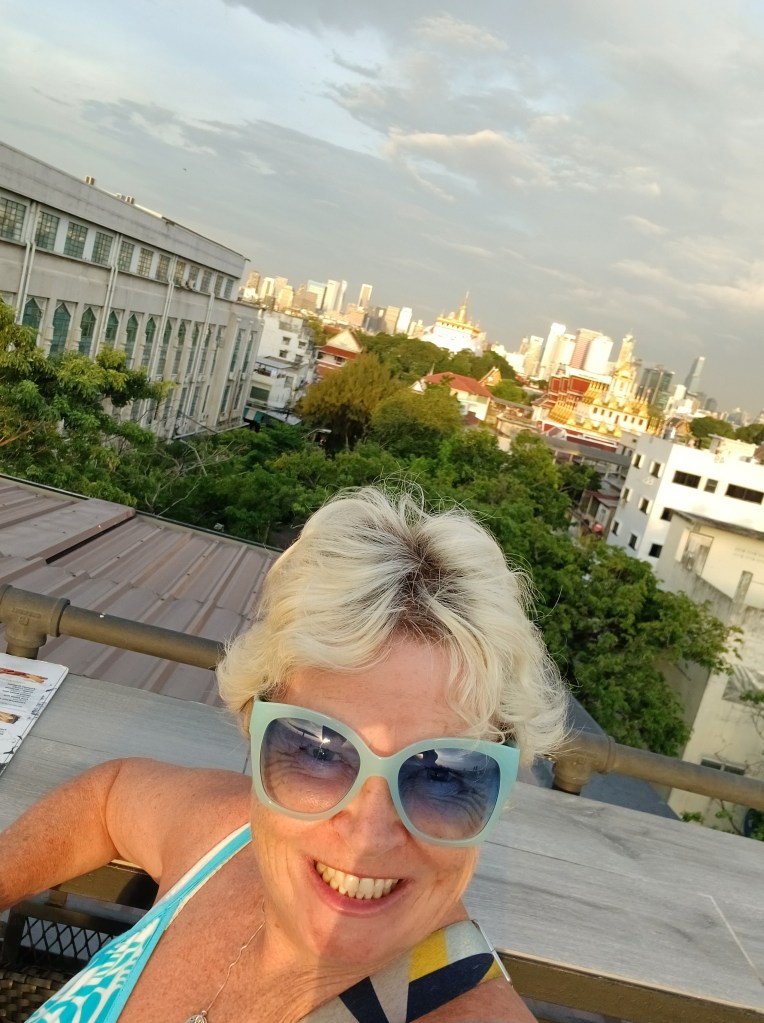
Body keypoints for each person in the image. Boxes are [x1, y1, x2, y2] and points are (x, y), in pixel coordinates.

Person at [0, 486, 569, 1023]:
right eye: (320, 750)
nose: (369, 836)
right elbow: (109, 796)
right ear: (254, 725)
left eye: (442, 774)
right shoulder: (227, 841)